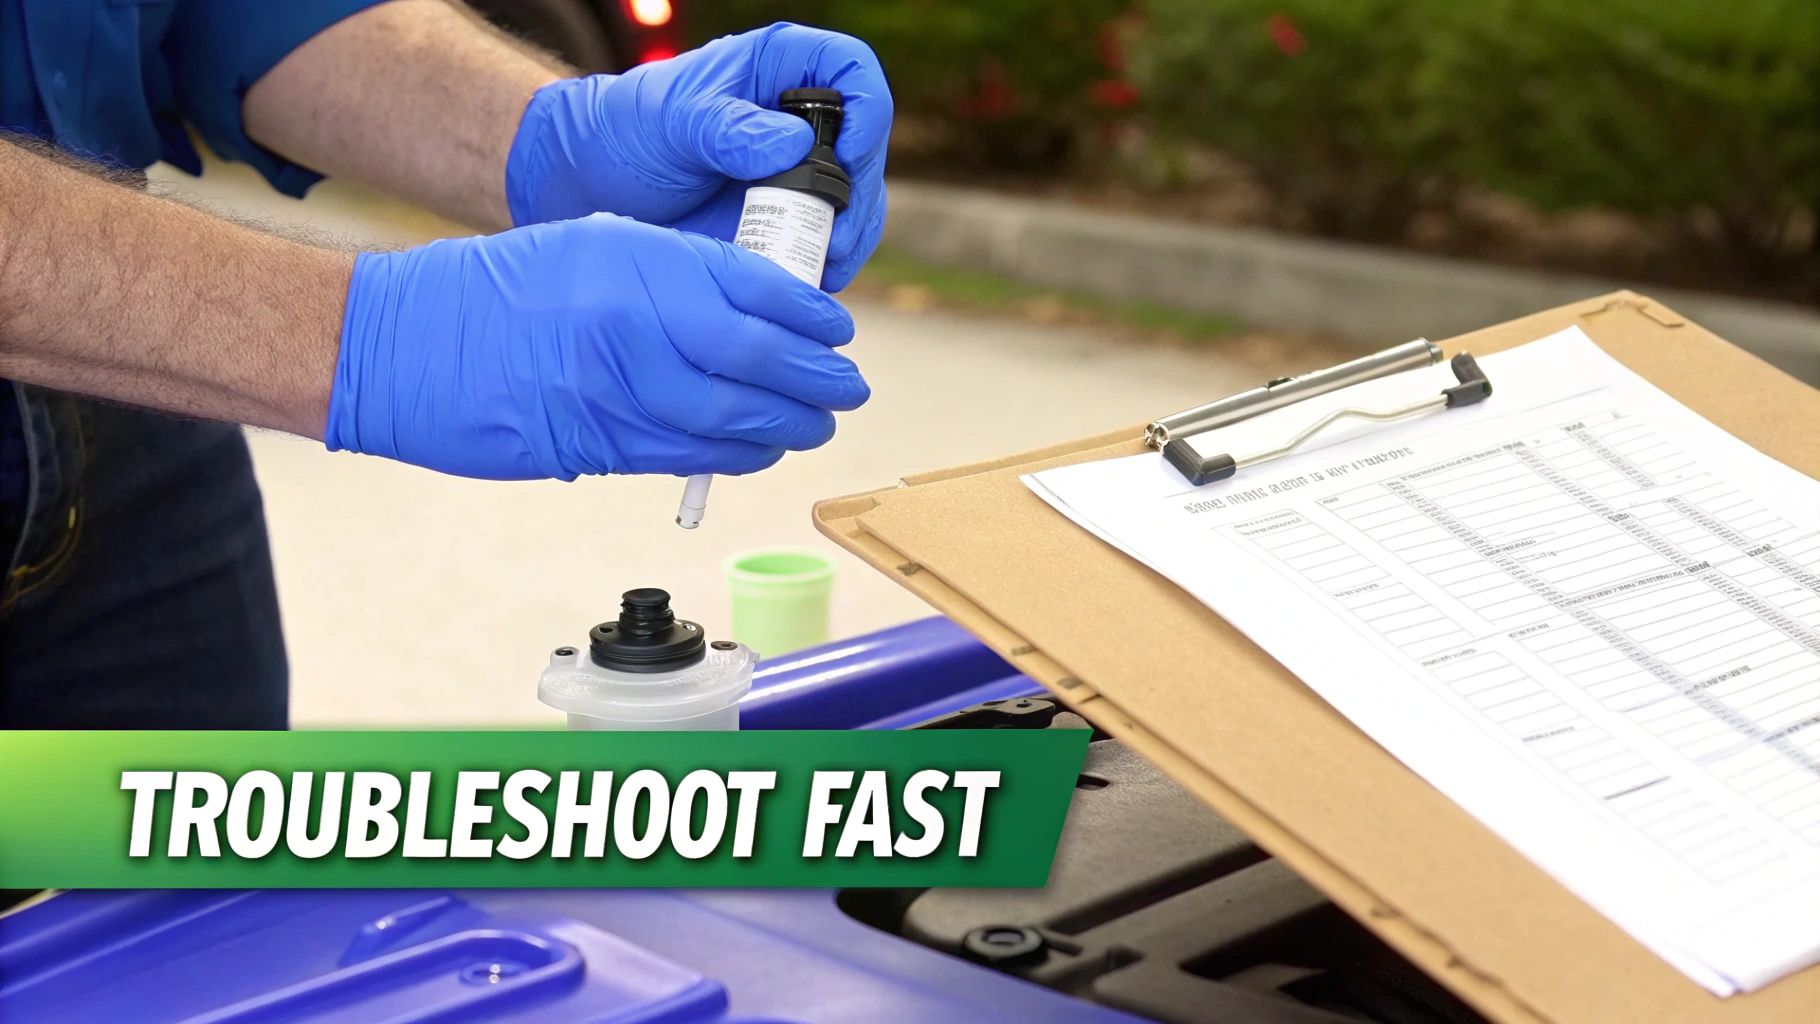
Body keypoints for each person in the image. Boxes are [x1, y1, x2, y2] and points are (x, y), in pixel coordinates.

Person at [0, 2, 892, 728]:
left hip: (133, 428)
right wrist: (362, 333)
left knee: (206, 902)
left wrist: (546, 136)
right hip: (113, 336)